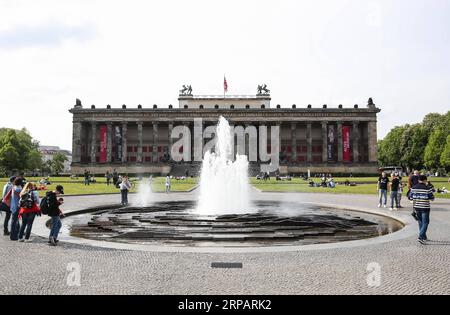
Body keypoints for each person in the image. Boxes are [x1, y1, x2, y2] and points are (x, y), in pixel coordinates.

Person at [409, 175, 435, 244]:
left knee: (420, 222)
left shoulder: (413, 188)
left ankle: (424, 237)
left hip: (416, 207)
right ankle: (420, 237)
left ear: (418, 180)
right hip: (425, 207)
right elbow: (432, 198)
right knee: (426, 222)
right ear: (425, 180)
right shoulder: (427, 188)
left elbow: (411, 198)